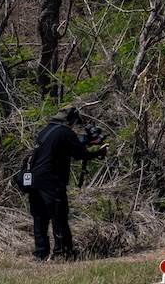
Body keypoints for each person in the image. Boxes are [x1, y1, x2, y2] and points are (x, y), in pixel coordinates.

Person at [28, 106, 107, 261]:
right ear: (70, 120)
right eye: (74, 122)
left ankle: (41, 255)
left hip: (34, 180)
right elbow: (80, 155)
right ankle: (62, 254)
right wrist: (99, 152)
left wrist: (86, 142)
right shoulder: (65, 132)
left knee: (40, 218)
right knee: (59, 216)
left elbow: (66, 148)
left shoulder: (46, 131)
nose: (74, 126)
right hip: (51, 181)